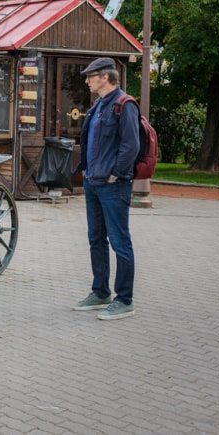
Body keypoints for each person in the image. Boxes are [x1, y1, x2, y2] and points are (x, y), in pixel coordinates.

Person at [73, 57, 140, 321]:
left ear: (105, 77)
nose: (86, 81)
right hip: (93, 183)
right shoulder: (98, 106)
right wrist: (86, 171)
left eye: (90, 76)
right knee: (96, 239)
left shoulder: (125, 105)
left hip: (113, 185)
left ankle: (124, 300)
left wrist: (116, 174)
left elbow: (131, 146)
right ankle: (101, 292)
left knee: (120, 242)